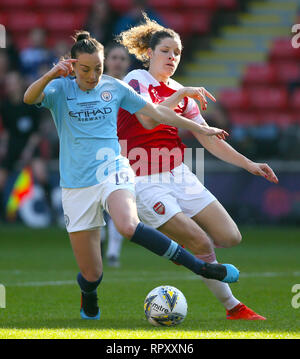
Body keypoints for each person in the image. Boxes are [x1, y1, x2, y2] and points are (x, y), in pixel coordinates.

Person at [24, 30, 239, 320]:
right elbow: (28, 97)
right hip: (76, 185)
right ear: (73, 66)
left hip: (113, 169)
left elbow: (158, 114)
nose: (92, 76)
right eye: (85, 70)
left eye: (98, 69)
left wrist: (202, 128)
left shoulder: (114, 87)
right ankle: (88, 293)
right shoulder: (60, 90)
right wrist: (52, 74)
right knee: (92, 273)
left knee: (127, 225)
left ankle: (202, 267)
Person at [117, 14, 279, 320]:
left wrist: (249, 164)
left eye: (177, 52)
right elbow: (148, 119)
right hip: (142, 179)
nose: (172, 57)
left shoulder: (182, 91)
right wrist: (179, 94)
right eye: (165, 50)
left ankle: (186, 246)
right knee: (202, 242)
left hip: (178, 173)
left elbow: (209, 138)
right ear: (150, 53)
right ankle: (234, 308)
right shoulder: (135, 80)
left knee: (231, 236)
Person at [0, 71, 49, 221]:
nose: (11, 86)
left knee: (41, 175)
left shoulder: (30, 103)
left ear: (20, 84)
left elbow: (36, 132)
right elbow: (7, 130)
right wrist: (4, 146)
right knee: (1, 180)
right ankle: (4, 215)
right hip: (13, 145)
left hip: (30, 144)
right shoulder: (5, 106)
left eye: (13, 83)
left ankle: (51, 210)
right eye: (9, 83)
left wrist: (28, 150)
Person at [102, 43, 131, 267]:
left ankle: (112, 251)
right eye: (114, 57)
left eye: (122, 58)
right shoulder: (96, 85)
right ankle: (100, 241)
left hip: (125, 151)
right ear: (105, 61)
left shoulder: (132, 88)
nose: (118, 62)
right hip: (96, 151)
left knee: (117, 202)